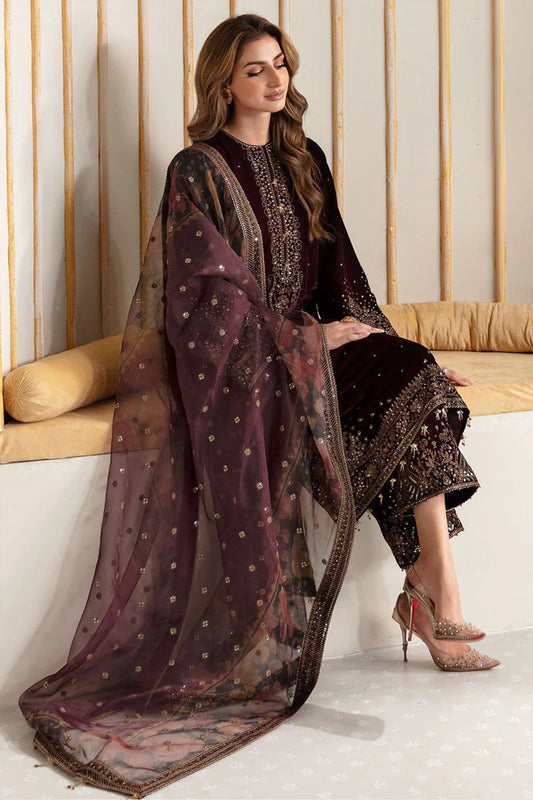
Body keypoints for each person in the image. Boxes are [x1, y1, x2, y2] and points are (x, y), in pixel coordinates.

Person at [19, 13, 498, 799]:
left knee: (421, 382)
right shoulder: (196, 171)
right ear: (223, 83)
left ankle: (433, 591)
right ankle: (429, 600)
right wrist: (300, 340)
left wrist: (388, 344)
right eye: (255, 70)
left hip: (313, 349)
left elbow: (342, 277)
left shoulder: (303, 158)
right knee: (410, 382)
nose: (275, 81)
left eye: (280, 65)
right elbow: (198, 308)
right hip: (246, 367)